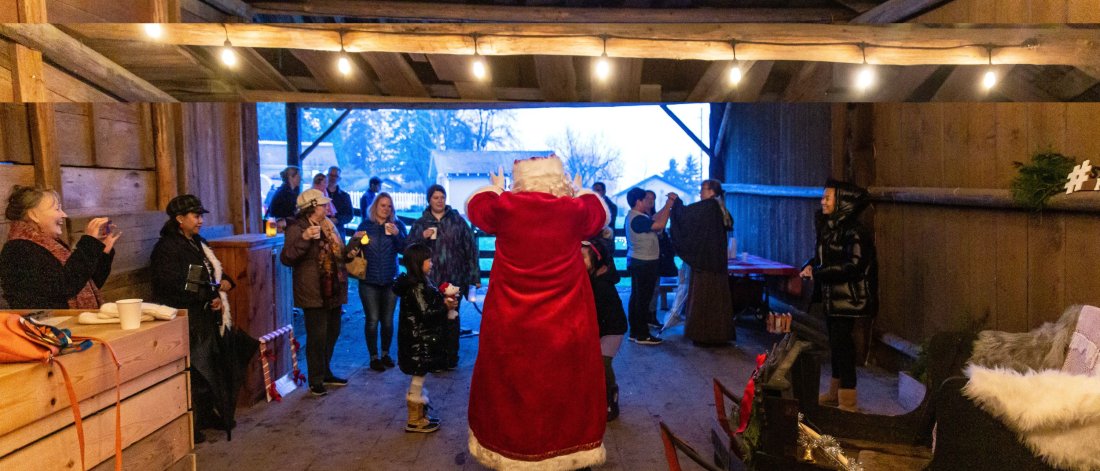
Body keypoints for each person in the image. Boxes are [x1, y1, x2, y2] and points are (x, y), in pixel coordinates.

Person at [465, 156, 609, 469]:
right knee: (566, 390)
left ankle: (512, 451)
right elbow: (598, 215)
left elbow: (476, 206)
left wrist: (494, 187)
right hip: (566, 325)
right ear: (559, 181)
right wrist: (582, 193)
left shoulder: (504, 208)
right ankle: (566, 450)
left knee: (508, 389)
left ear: (521, 181)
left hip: (511, 323)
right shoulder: (573, 211)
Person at [150, 194, 256, 443]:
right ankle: (193, 421)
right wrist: (208, 297)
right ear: (179, 219)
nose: (200, 221)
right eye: (195, 216)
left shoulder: (198, 243)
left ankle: (207, 415)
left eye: (200, 216)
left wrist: (221, 287)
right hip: (187, 317)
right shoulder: (166, 249)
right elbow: (171, 286)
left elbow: (212, 272)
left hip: (209, 315)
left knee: (214, 367)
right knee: (197, 371)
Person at [802, 180, 877, 412]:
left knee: (843, 346)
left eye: (827, 198)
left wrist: (819, 272)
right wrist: (810, 265)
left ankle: (848, 399)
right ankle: (835, 393)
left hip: (849, 298)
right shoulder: (830, 228)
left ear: (841, 202)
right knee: (835, 344)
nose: (822, 201)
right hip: (832, 296)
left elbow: (853, 265)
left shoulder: (855, 232)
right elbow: (825, 259)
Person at [280, 188, 357, 396]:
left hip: (332, 287)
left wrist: (349, 253)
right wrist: (305, 238)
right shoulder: (297, 227)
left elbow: (338, 254)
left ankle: (325, 371)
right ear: (312, 207)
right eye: (323, 204)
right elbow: (286, 257)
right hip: (312, 289)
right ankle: (315, 379)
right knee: (317, 335)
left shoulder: (328, 225)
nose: (326, 207)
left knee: (333, 331)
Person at [0, 185, 118, 309]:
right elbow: (65, 288)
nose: (64, 214)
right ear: (34, 215)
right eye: (57, 209)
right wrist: (89, 243)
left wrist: (103, 252)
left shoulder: (50, 245)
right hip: (46, 326)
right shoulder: (18, 250)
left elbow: (84, 284)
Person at [408, 184, 480, 370]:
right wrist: (421, 236)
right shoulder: (421, 223)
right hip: (430, 281)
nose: (439, 200)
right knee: (433, 319)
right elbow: (409, 249)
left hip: (454, 279)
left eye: (442, 197)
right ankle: (435, 358)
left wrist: (474, 276)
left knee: (451, 317)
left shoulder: (457, 221)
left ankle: (451, 357)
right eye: (435, 197)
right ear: (429, 200)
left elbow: (470, 248)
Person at [393, 243, 458, 433]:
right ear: (417, 263)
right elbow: (426, 313)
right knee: (418, 377)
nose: (431, 263)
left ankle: (420, 416)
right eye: (428, 260)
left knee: (419, 376)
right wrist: (445, 306)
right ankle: (414, 420)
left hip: (416, 339)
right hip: (418, 341)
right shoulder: (416, 287)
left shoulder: (418, 283)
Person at [670, 179, 736, 345]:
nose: (700, 192)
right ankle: (718, 334)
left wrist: (676, 202)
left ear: (712, 191)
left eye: (703, 189)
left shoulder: (708, 207)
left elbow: (685, 216)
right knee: (717, 299)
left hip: (706, 262)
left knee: (704, 299)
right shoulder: (719, 208)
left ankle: (704, 335)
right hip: (716, 263)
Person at [351, 192, 407, 372]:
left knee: (388, 321)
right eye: (383, 205)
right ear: (375, 207)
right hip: (369, 280)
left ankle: (385, 353)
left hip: (390, 279)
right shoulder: (365, 226)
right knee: (373, 320)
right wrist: (356, 241)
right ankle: (373, 356)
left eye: (389, 206)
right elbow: (352, 250)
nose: (386, 209)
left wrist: (397, 235)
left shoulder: (397, 225)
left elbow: (405, 250)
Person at [582, 235, 627, 422]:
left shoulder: (601, 284)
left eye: (583, 257)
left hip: (612, 330)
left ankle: (611, 397)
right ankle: (598, 397)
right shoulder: (591, 278)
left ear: (596, 259)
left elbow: (602, 314)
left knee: (603, 363)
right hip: (601, 328)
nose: (579, 261)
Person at [625, 187, 674, 345]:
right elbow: (659, 224)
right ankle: (642, 335)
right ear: (638, 201)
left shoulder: (638, 217)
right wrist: (669, 203)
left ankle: (635, 332)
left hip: (639, 261)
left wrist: (665, 207)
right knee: (643, 300)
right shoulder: (638, 219)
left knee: (637, 298)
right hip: (644, 263)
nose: (649, 202)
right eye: (645, 199)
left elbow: (654, 218)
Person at [327, 166, 354, 240]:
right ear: (327, 176)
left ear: (339, 178)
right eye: (331, 175)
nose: (332, 178)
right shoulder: (320, 194)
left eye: (335, 176)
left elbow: (349, 215)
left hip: (338, 232)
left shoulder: (345, 196)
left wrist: (338, 220)